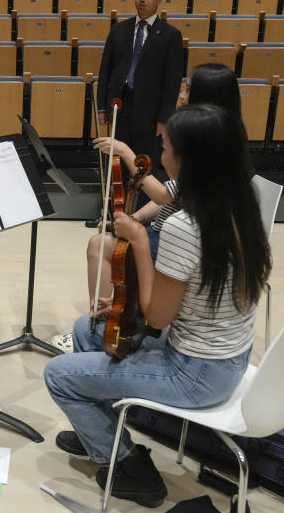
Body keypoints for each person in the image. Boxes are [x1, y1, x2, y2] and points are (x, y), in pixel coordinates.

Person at [44, 103, 272, 508]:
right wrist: (119, 305)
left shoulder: (187, 226)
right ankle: (103, 429)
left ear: (188, 159)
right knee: (86, 329)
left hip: (195, 371)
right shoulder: (240, 204)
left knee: (58, 375)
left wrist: (143, 241)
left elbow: (156, 316)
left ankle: (126, 464)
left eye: (165, 148)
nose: (161, 157)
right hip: (228, 357)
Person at [54, 63, 246, 352]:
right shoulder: (214, 136)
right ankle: (105, 322)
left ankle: (103, 329)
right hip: (172, 233)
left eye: (188, 89)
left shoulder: (210, 146)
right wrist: (133, 219)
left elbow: (161, 195)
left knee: (99, 246)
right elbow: (171, 196)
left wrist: (127, 154)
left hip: (187, 245)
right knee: (104, 242)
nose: (181, 95)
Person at [90, 0, 183, 227]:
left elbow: (172, 81)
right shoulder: (119, 30)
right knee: (116, 163)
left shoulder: (170, 36)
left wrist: (165, 118)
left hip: (150, 113)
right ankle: (111, 213)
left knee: (143, 163)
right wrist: (102, 105)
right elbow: (105, 70)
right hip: (119, 108)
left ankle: (139, 217)